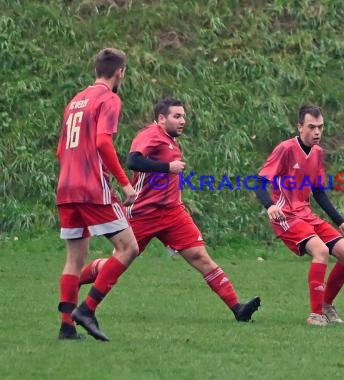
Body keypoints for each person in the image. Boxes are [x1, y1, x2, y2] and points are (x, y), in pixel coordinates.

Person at [79, 98, 261, 323]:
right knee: (118, 261)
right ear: (161, 118)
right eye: (177, 116)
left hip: (173, 213)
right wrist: (167, 167)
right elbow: (133, 161)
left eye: (183, 116)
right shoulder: (151, 134)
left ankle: (238, 308)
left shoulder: (170, 140)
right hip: (144, 213)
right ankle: (76, 284)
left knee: (200, 257)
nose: (182, 121)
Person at [56, 48, 139, 341]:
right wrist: (125, 183)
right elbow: (104, 142)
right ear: (120, 72)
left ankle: (67, 326)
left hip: (65, 187)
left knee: (75, 259)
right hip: (91, 188)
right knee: (129, 248)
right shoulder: (109, 98)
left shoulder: (75, 100)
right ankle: (87, 308)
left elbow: (60, 149)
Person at [254, 105, 344, 326]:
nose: (317, 132)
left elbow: (319, 192)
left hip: (306, 215)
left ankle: (326, 304)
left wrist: (341, 222)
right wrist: (270, 205)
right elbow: (259, 181)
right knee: (320, 251)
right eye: (311, 127)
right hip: (287, 217)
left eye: (320, 127)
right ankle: (315, 314)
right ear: (300, 127)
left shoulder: (318, 153)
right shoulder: (285, 149)